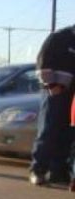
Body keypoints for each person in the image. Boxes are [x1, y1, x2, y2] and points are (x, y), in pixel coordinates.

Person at [29, 24, 75, 186]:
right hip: (55, 92)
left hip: (73, 96)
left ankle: (58, 172)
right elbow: (43, 61)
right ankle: (38, 170)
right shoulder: (60, 37)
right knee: (48, 130)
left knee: (67, 133)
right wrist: (51, 85)